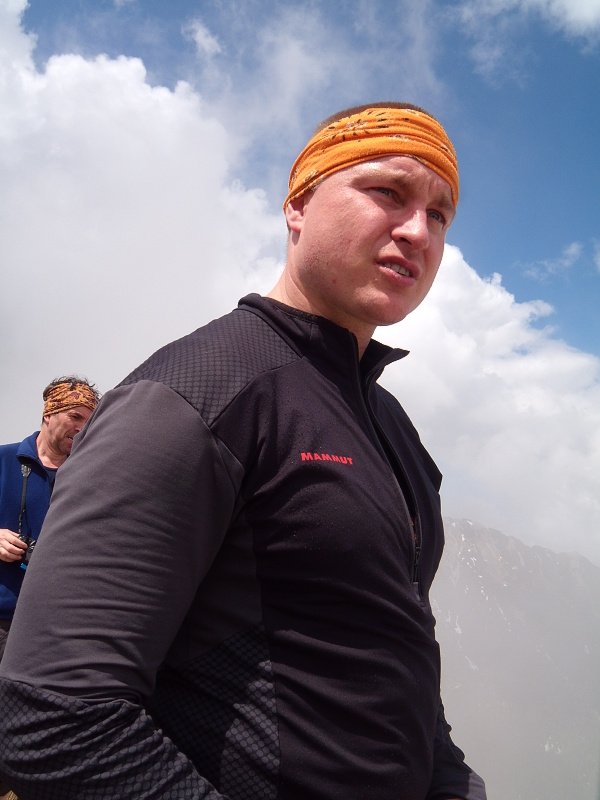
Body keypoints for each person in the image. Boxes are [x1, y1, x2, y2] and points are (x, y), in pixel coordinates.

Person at [0, 104, 486, 799]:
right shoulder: (194, 394)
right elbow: (53, 718)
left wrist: (453, 783)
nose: (418, 231)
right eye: (388, 192)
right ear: (298, 207)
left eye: (439, 215)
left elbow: (393, 644)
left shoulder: (389, 423)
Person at [0, 376, 100, 659]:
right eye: (75, 416)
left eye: (89, 422)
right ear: (48, 413)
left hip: (60, 628)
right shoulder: (3, 460)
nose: (81, 428)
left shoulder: (93, 476)